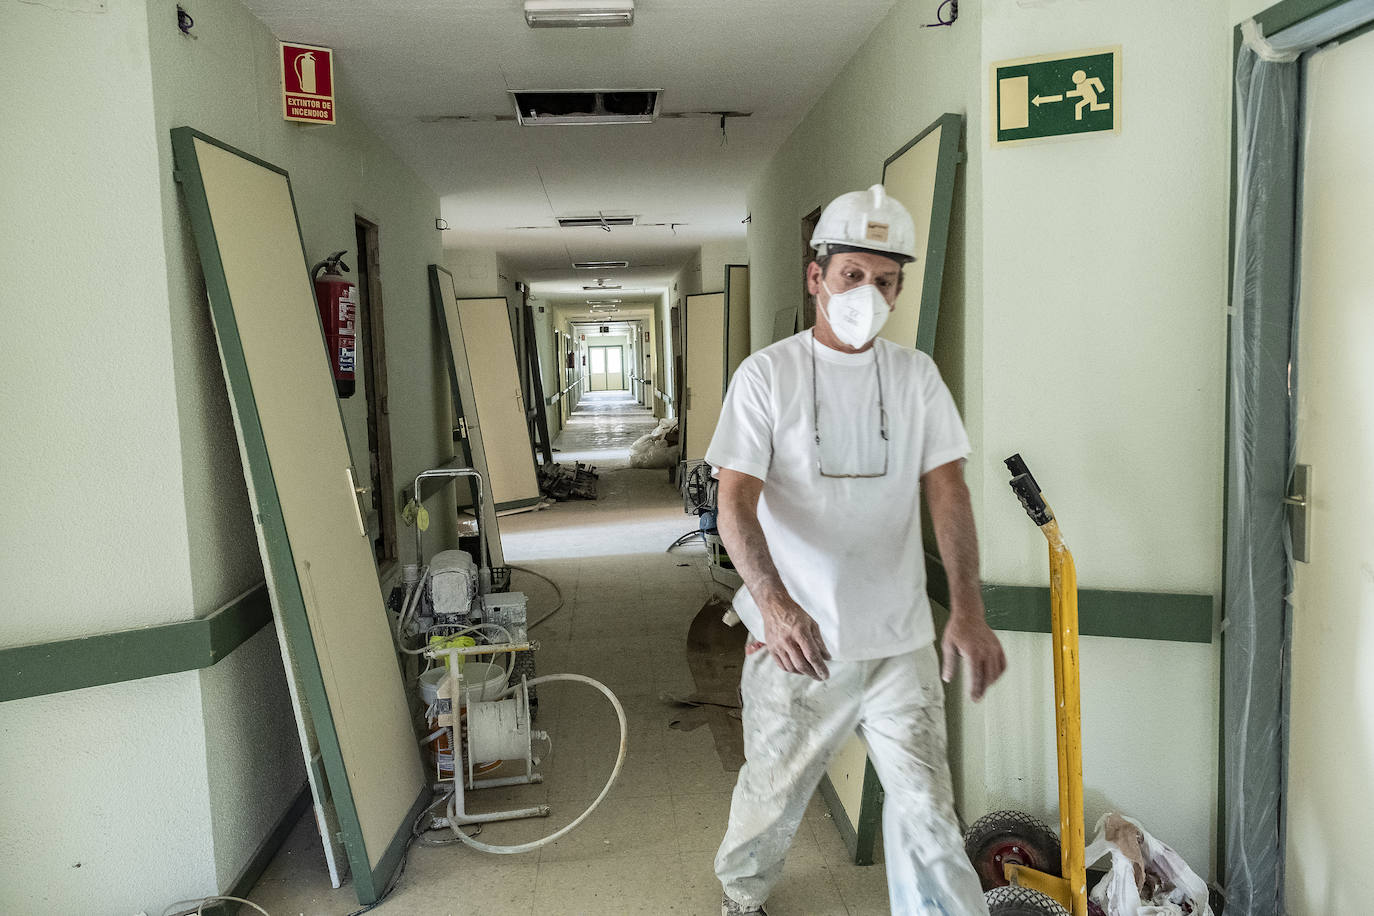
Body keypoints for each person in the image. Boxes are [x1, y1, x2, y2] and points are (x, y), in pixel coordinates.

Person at [709, 185, 1007, 915]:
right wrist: (773, 609)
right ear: (817, 277)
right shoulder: (767, 377)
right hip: (798, 645)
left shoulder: (916, 379)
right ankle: (741, 899)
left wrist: (966, 607)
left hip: (899, 641)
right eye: (852, 275)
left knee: (930, 817)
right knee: (770, 800)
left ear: (900, 289)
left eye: (885, 281)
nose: (866, 294)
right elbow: (734, 502)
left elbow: (948, 492)